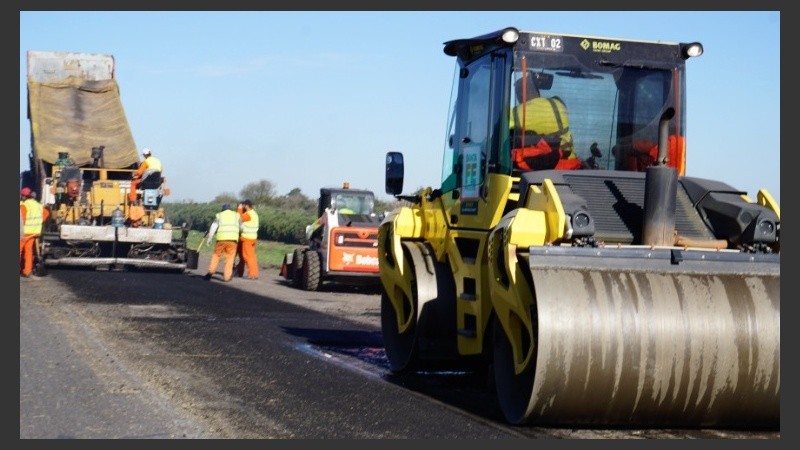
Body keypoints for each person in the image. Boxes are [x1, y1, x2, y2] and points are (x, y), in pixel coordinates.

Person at [508, 73, 580, 171]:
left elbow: (501, 134)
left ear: (521, 93)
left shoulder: (515, 113)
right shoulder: (558, 104)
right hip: (569, 166)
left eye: (517, 93)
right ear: (536, 90)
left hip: (538, 172)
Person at [203, 204, 242, 282]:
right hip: (233, 240)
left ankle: (210, 272)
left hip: (221, 239)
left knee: (216, 256)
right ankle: (227, 277)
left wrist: (210, 238)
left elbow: (213, 227)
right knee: (230, 258)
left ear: (223, 209)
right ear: (230, 209)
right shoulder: (237, 215)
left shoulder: (219, 215)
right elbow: (242, 227)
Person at [20, 187, 49, 277]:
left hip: (23, 232)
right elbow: (46, 213)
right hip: (34, 232)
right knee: (29, 252)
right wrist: (39, 222)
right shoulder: (38, 205)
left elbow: (22, 220)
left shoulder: (24, 205)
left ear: (24, 196)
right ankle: (27, 271)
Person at [235, 199, 260, 280]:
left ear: (246, 205)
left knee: (247, 257)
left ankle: (252, 274)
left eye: (243, 206)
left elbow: (238, 219)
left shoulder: (248, 214)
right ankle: (255, 273)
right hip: (253, 238)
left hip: (247, 238)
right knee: (252, 256)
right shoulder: (254, 213)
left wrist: (239, 209)